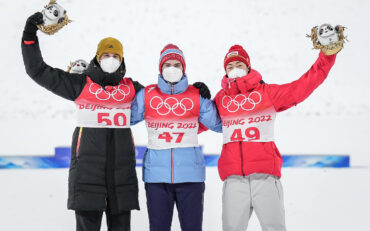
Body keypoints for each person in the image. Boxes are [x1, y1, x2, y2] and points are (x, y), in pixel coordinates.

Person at [22, 12, 142, 231]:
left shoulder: (132, 89)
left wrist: (196, 92)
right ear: (97, 57)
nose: (111, 59)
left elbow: (164, 102)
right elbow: (37, 70)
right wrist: (30, 35)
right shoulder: (80, 85)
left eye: (116, 56)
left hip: (121, 181)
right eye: (106, 54)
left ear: (122, 60)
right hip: (87, 179)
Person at [214, 45, 338, 231]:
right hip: (233, 181)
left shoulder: (267, 94)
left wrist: (327, 57)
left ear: (248, 67)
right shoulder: (221, 99)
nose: (234, 70)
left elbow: (302, 86)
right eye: (229, 67)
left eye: (239, 64)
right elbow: (193, 121)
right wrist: (197, 100)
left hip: (265, 179)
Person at [130, 44, 222, 231]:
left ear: (183, 68)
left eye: (177, 65)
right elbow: (124, 117)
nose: (172, 69)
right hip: (156, 178)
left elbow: (220, 124)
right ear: (160, 69)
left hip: (191, 178)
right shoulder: (147, 95)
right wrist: (126, 87)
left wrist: (214, 99)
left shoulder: (195, 96)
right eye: (167, 65)